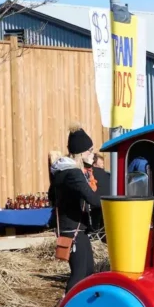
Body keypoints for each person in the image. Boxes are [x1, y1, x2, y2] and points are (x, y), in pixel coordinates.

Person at [49, 124, 102, 294]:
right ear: (80, 153)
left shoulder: (61, 172)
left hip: (77, 229)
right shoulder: (73, 173)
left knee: (87, 273)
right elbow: (93, 198)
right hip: (74, 230)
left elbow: (52, 196)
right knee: (80, 274)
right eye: (90, 151)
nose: (92, 155)